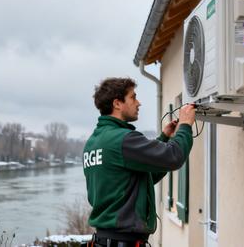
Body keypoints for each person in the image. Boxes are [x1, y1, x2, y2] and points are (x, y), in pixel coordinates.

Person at [82, 77, 195, 247]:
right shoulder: (123, 139)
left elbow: (141, 179)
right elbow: (174, 156)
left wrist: (164, 138)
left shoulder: (93, 142)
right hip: (122, 241)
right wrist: (185, 125)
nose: (139, 103)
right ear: (117, 103)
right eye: (133, 97)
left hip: (105, 240)